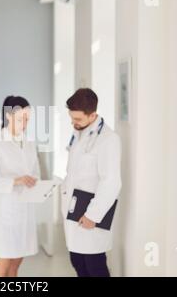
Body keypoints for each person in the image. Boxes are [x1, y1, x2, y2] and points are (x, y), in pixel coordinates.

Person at [0, 96, 40, 277]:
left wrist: (36, 182)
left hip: (25, 209)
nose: (26, 122)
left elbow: (34, 171)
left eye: (28, 118)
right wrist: (15, 181)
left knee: (16, 262)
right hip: (5, 211)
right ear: (9, 116)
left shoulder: (29, 141)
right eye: (22, 118)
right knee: (3, 260)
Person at [62, 88, 121, 277]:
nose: (73, 123)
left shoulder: (108, 140)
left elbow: (111, 181)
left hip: (90, 214)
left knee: (94, 267)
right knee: (77, 261)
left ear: (93, 114)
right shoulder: (80, 132)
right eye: (71, 118)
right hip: (74, 211)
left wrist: (93, 215)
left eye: (77, 119)